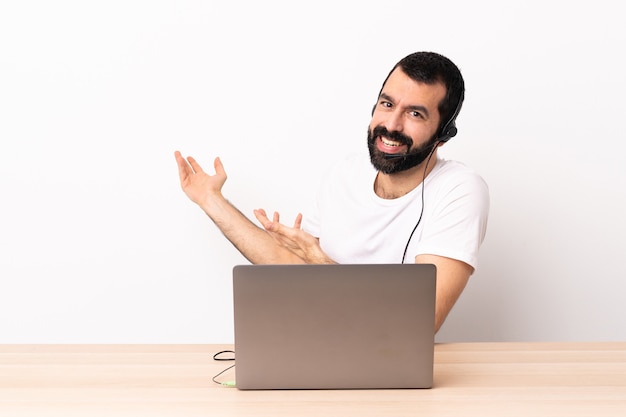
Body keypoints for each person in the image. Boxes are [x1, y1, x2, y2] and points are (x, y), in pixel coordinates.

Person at [175, 51, 489, 333]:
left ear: (443, 135)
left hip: (390, 360)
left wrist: (319, 263)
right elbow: (293, 266)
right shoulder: (344, 174)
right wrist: (210, 200)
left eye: (415, 114)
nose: (391, 124)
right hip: (316, 343)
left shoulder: (459, 189)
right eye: (387, 104)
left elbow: (421, 321)